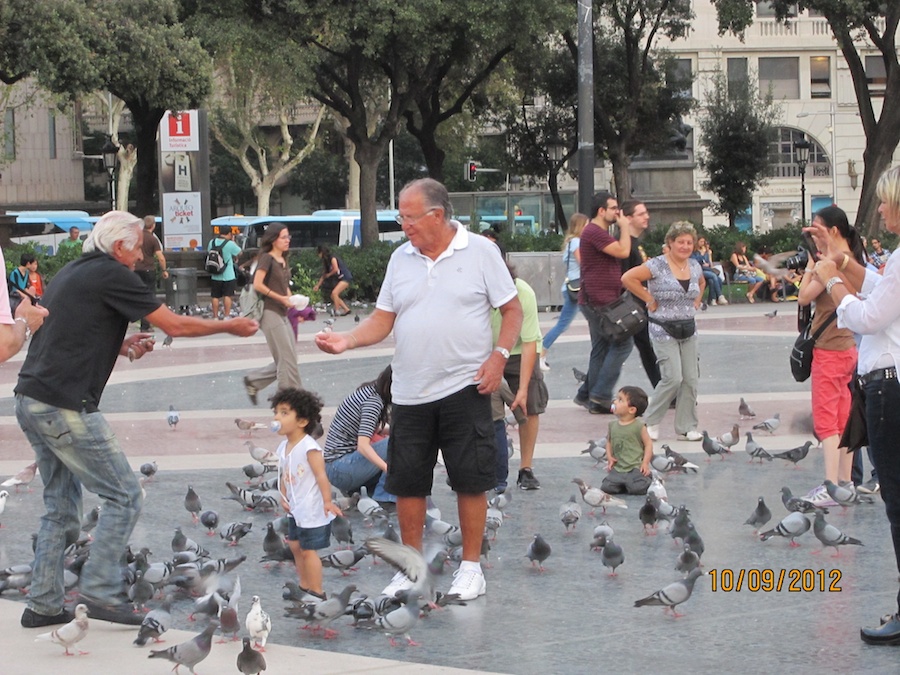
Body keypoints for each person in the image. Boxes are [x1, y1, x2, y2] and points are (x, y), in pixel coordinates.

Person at [14, 211, 258, 629]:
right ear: (120, 245)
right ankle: (101, 591)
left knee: (60, 509)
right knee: (126, 495)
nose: (144, 253)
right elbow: (174, 325)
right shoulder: (113, 273)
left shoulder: (74, 271)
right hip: (65, 406)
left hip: (32, 399)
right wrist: (229, 326)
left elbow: (68, 332)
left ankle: (43, 604)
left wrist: (122, 344)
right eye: (141, 245)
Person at [315, 178, 522, 601]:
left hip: (466, 386)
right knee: (407, 484)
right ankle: (411, 568)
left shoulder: (480, 252)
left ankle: (470, 569)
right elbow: (382, 319)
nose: (403, 224)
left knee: (470, 479)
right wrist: (348, 340)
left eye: (409, 217)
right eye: (400, 217)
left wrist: (499, 354)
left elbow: (512, 309)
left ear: (438, 215)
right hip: (408, 391)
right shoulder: (400, 259)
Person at [806, 165, 900, 645]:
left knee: (898, 505)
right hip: (886, 384)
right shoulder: (896, 261)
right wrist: (842, 263)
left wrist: (832, 281)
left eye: (886, 202)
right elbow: (878, 288)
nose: (880, 210)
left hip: (890, 390)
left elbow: (869, 315)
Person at [798, 205, 865, 508]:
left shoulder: (829, 264)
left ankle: (829, 486)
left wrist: (813, 261)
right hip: (849, 349)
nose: (813, 233)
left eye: (817, 228)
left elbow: (803, 296)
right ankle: (845, 484)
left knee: (827, 422)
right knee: (844, 418)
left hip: (828, 351)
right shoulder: (854, 259)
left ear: (832, 231)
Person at [622, 221, 705, 442]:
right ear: (670, 243)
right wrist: (648, 298)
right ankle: (650, 422)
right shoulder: (656, 265)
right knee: (672, 378)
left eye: (689, 242)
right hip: (663, 328)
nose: (685, 246)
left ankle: (687, 427)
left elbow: (702, 282)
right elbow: (628, 278)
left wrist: (696, 301)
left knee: (691, 379)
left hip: (688, 328)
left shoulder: (694, 266)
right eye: (681, 242)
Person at [273, 387, 342, 601]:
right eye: (276, 412)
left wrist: (328, 501)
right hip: (296, 508)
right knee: (295, 545)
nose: (277, 418)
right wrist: (284, 496)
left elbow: (321, 475)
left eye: (284, 413)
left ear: (302, 421)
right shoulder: (284, 446)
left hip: (312, 508)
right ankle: (304, 585)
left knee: (309, 549)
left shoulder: (309, 447)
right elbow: (285, 473)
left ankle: (317, 591)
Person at [574, 191, 634, 414]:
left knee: (601, 348)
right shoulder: (594, 231)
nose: (618, 212)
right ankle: (599, 397)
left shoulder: (597, 232)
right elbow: (623, 250)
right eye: (613, 208)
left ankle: (586, 394)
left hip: (598, 298)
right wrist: (625, 228)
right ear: (601, 211)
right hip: (598, 301)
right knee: (622, 343)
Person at [493, 263, 548, 490]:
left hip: (517, 351)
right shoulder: (476, 292)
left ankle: (526, 468)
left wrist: (523, 389)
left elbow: (528, 344)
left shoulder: (523, 293)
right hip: (484, 350)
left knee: (530, 404)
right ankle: (475, 464)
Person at [243, 223, 303, 405]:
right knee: (287, 360)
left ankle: (254, 380)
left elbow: (284, 287)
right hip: (269, 312)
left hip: (283, 312)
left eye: (288, 237)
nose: (287, 241)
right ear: (273, 239)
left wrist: (294, 304)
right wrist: (281, 298)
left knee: (288, 357)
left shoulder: (283, 260)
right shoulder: (266, 259)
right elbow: (258, 284)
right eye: (284, 237)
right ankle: (290, 402)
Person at [323, 366, 395, 505]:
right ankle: (383, 496)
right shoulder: (373, 402)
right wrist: (389, 470)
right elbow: (363, 446)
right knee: (397, 442)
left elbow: (372, 428)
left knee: (397, 437)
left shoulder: (369, 391)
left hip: (336, 467)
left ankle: (365, 490)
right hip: (341, 468)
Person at [620, 200, 661, 389]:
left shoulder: (635, 244)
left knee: (643, 347)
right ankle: (662, 389)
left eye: (646, 213)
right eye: (641, 214)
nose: (647, 217)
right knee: (644, 346)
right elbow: (625, 277)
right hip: (632, 305)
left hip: (637, 304)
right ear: (628, 218)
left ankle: (590, 390)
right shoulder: (626, 246)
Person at [541, 213, 588, 371]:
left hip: (574, 287)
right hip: (577, 288)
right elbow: (585, 264)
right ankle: (540, 353)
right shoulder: (576, 242)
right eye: (586, 225)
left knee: (565, 324)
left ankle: (540, 353)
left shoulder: (571, 242)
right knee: (563, 325)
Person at [601, 386, 652, 495]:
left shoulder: (639, 426)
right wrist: (609, 457)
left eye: (620, 400)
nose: (615, 401)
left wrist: (645, 463)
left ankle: (645, 479)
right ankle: (624, 484)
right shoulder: (612, 425)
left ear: (632, 410)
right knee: (606, 487)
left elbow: (648, 444)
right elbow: (609, 442)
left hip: (634, 467)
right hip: (618, 467)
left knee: (638, 489)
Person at [0, 247, 48, 362]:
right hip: (16, 296)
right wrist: (23, 320)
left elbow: (25, 286)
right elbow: (3, 345)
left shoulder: (26, 273)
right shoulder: (15, 273)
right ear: (28, 263)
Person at [134, 216, 168, 331]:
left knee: (137, 296)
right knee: (149, 297)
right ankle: (146, 325)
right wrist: (164, 270)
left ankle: (137, 320)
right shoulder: (153, 239)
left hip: (135, 269)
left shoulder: (136, 237)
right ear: (153, 225)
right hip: (148, 270)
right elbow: (160, 257)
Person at [209, 229, 243, 319]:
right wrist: (233, 241)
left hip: (215, 274)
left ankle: (215, 316)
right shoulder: (230, 244)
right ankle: (226, 316)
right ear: (229, 234)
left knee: (215, 296)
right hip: (228, 275)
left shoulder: (212, 242)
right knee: (227, 295)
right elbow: (240, 252)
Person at [313, 245, 353, 316]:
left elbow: (335, 269)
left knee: (334, 293)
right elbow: (324, 275)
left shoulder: (332, 258)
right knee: (333, 296)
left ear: (322, 252)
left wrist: (329, 274)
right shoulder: (326, 262)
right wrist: (318, 285)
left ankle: (337, 310)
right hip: (341, 278)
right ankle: (346, 309)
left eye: (318, 253)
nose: (318, 255)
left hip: (345, 276)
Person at [692, 236, 726, 306]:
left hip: (707, 270)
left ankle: (713, 299)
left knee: (714, 280)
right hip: (700, 271)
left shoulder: (706, 251)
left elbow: (710, 263)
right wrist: (701, 255)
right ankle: (720, 296)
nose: (702, 243)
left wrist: (708, 257)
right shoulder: (694, 252)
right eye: (701, 242)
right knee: (714, 276)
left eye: (703, 242)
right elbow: (694, 262)